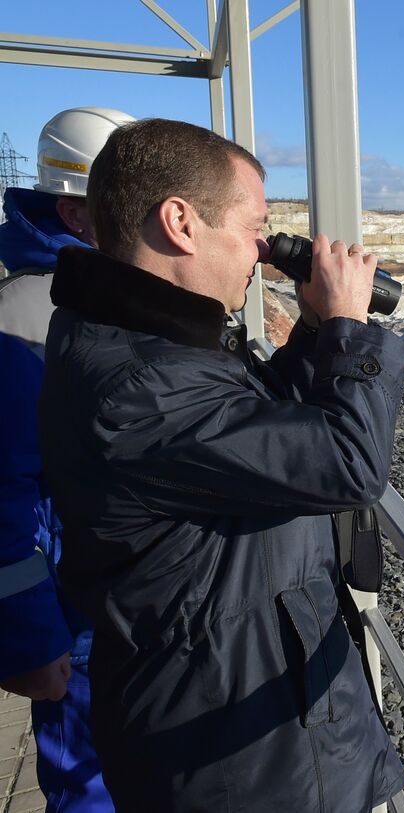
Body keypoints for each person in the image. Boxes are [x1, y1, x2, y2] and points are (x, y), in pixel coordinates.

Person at [36, 118, 404, 812]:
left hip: (248, 727)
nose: (264, 250)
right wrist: (348, 329)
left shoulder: (145, 344)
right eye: (254, 227)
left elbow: (257, 434)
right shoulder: (138, 387)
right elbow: (348, 464)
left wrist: (312, 333)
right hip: (237, 762)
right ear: (180, 222)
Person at [1, 106, 135, 813]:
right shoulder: (24, 315)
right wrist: (29, 639)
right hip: (74, 617)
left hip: (122, 600)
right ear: (72, 211)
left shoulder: (96, 293)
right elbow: (4, 494)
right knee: (91, 791)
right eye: (124, 206)